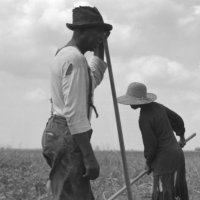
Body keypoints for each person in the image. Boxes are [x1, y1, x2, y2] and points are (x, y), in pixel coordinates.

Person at [41, 6, 112, 200]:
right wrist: (89, 157)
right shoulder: (75, 59)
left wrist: (100, 46)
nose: (101, 38)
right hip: (68, 134)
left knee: (66, 195)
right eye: (98, 33)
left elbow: (92, 79)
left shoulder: (64, 54)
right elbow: (74, 114)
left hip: (56, 131)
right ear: (83, 31)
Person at [117, 82, 189, 200]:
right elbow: (177, 119)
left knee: (163, 194)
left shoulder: (144, 118)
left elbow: (151, 147)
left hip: (164, 160)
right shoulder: (158, 107)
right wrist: (181, 136)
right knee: (176, 193)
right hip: (178, 155)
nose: (130, 103)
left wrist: (148, 162)